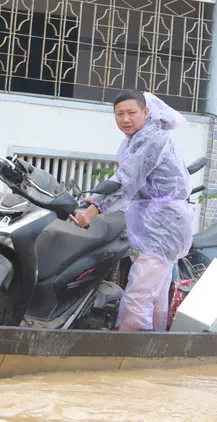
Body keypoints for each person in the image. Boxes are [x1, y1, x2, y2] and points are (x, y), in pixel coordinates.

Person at [73, 89, 193, 332]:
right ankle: (155, 348)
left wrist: (94, 209)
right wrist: (96, 197)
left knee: (139, 289)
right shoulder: (131, 141)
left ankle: (124, 349)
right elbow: (123, 180)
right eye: (119, 114)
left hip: (164, 225)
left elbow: (128, 178)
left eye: (131, 113)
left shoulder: (153, 138)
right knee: (156, 291)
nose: (125, 119)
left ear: (146, 112)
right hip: (154, 223)